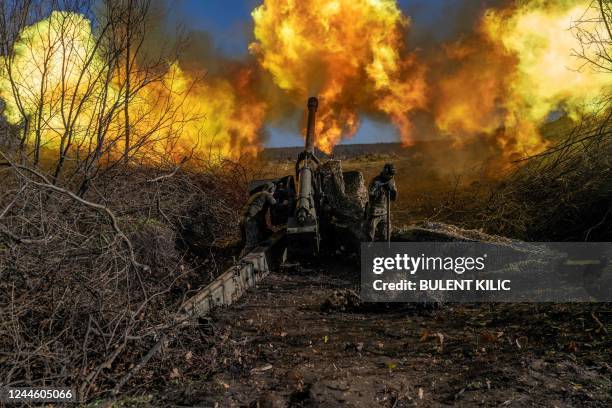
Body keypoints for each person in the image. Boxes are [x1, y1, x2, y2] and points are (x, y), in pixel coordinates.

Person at [240, 182, 277, 257]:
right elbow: (275, 204)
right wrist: (285, 203)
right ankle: (240, 263)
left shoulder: (256, 194)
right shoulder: (266, 194)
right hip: (251, 220)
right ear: (271, 189)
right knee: (251, 245)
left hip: (243, 220)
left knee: (250, 243)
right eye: (273, 190)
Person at [366, 163, 397, 241]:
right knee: (369, 237)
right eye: (389, 175)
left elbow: (393, 198)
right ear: (385, 172)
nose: (391, 176)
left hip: (385, 213)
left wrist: (393, 191)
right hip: (374, 213)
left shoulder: (391, 181)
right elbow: (371, 195)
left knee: (386, 236)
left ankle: (384, 252)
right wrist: (381, 188)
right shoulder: (376, 181)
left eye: (392, 175)